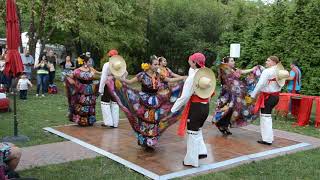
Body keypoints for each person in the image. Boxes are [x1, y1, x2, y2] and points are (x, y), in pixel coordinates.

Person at [105, 55, 186, 148]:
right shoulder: (142, 75)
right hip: (144, 101)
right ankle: (144, 140)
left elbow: (169, 79)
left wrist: (182, 78)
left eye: (157, 64)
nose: (157, 66)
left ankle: (152, 140)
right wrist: (117, 78)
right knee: (144, 120)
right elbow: (129, 82)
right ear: (149, 65)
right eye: (155, 64)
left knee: (154, 120)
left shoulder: (158, 74)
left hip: (156, 100)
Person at [171, 52, 215, 167]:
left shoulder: (193, 78)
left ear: (195, 63)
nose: (189, 61)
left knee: (192, 134)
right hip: (205, 107)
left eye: (190, 60)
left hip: (196, 108)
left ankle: (191, 160)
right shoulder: (205, 75)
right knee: (198, 130)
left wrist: (173, 109)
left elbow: (185, 96)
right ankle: (201, 151)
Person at [213, 57, 261, 135]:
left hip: (234, 93)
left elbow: (242, 71)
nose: (234, 62)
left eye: (233, 60)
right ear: (226, 63)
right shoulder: (224, 69)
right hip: (227, 94)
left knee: (233, 110)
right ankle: (221, 125)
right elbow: (221, 66)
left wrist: (252, 69)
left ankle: (225, 126)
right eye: (231, 61)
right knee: (226, 109)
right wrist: (224, 63)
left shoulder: (233, 69)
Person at [250, 56, 289, 145]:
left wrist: (253, 95)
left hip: (268, 97)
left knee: (265, 117)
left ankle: (267, 139)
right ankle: (268, 137)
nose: (266, 62)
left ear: (273, 62)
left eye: (268, 60)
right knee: (267, 116)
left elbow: (260, 84)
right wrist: (262, 69)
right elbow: (270, 76)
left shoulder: (267, 71)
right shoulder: (278, 71)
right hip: (275, 97)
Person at [65, 54, 101, 126]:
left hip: (90, 90)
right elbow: (73, 76)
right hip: (81, 90)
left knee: (90, 104)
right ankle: (82, 121)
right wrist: (67, 76)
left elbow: (99, 74)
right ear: (85, 62)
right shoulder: (77, 71)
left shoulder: (91, 69)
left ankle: (90, 120)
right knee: (82, 105)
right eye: (89, 61)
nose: (90, 63)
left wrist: (107, 72)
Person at [99, 49, 121, 128]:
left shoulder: (106, 65)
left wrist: (101, 89)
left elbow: (103, 77)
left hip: (108, 85)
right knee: (115, 103)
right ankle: (115, 123)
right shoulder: (120, 65)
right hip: (116, 84)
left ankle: (108, 122)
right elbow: (125, 73)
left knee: (105, 103)